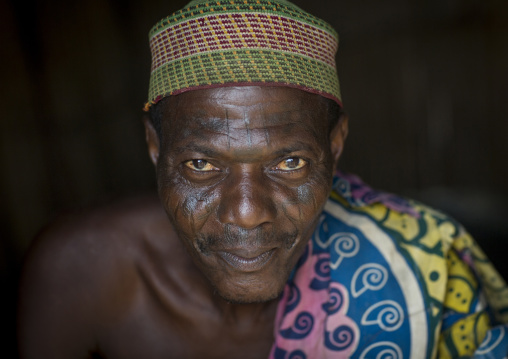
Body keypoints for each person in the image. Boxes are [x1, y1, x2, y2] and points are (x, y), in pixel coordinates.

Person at [17, 0, 508, 358]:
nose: (247, 213)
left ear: (335, 146)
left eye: (290, 163)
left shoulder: (421, 270)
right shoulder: (81, 275)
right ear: (154, 148)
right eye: (201, 165)